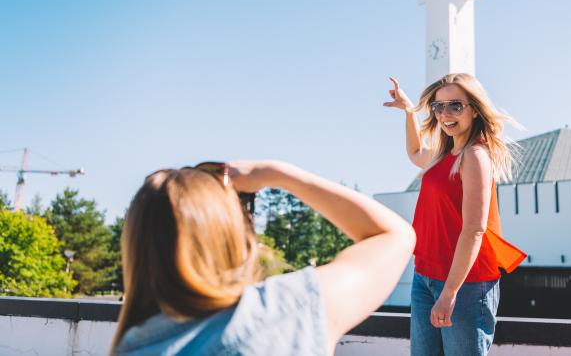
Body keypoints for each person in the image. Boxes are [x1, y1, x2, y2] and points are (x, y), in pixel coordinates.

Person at [111, 160, 415, 355]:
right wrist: (277, 174)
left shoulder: (131, 348)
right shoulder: (281, 311)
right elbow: (395, 236)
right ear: (229, 235)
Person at [384, 73, 526, 356]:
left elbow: (475, 229)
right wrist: (410, 109)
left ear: (474, 108)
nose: (445, 114)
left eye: (455, 106)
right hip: (425, 275)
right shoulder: (444, 155)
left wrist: (449, 293)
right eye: (438, 107)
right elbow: (415, 151)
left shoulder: (475, 156)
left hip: (465, 285)